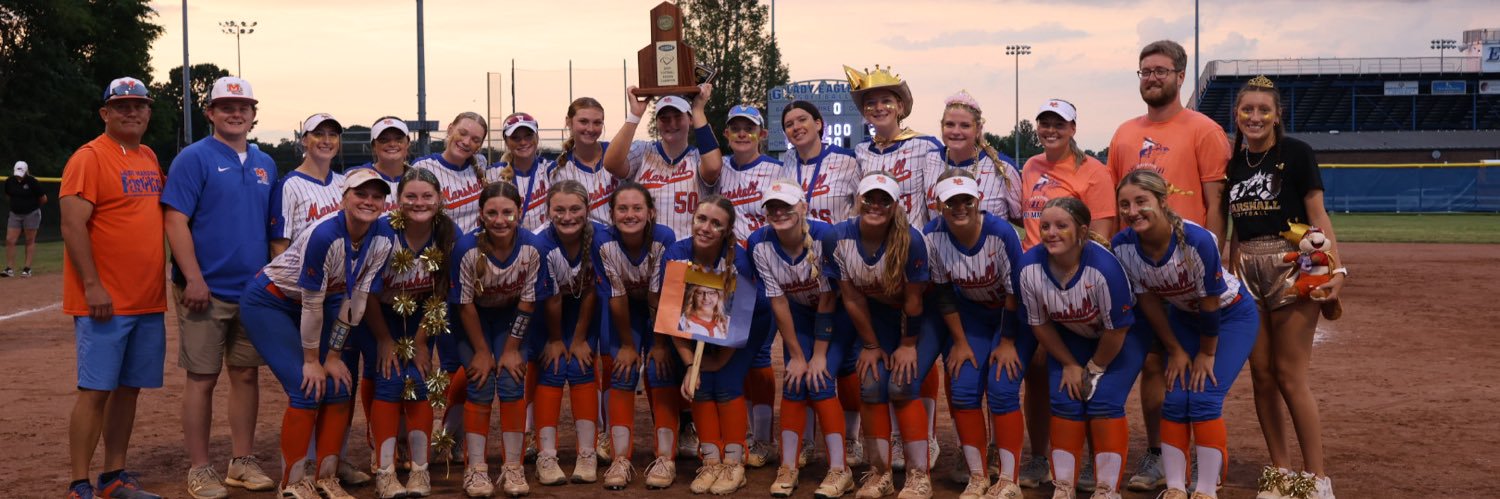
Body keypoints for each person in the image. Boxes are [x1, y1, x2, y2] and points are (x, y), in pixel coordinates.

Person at [1106, 41, 1231, 493]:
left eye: (1160, 70)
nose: (1151, 78)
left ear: (1181, 76)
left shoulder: (1204, 130)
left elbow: (1216, 204)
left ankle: (1201, 459)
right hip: (1144, 270)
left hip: (1192, 273)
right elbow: (1119, 207)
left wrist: (1216, 262)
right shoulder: (1123, 134)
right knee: (1156, 363)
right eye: (1144, 71)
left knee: (1201, 367)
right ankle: (1161, 453)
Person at [239, 169, 395, 499]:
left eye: (376, 196)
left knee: (338, 384)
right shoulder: (325, 235)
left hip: (326, 302)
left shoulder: (384, 235)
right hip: (272, 301)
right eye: (360, 194)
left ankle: (326, 477)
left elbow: (357, 299)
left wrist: (334, 356)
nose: (368, 201)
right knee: (306, 386)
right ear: (343, 198)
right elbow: (310, 305)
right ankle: (292, 484)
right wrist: (313, 359)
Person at [1226, 75, 1344, 499]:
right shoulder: (1234, 162)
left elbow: (1318, 215)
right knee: (1261, 376)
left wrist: (1335, 270)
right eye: (1247, 109)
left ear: (1277, 116)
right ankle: (1280, 473)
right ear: (1237, 115)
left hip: (1292, 263)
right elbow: (1234, 227)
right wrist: (1229, 265)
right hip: (1246, 270)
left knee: (1290, 376)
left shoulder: (1296, 153)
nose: (1255, 116)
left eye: (1264, 109)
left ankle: (1316, 479)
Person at [160, 76, 278, 499]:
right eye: (226, 106)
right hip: (204, 289)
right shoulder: (194, 158)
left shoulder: (266, 162)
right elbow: (174, 219)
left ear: (253, 113)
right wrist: (193, 277)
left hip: (252, 291)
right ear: (210, 112)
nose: (236, 113)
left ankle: (241, 462)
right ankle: (199, 467)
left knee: (246, 375)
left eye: (243, 106)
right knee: (202, 378)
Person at [1113, 169, 1259, 499]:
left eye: (1141, 201)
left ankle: (1206, 488)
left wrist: (1206, 354)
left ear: (1163, 202)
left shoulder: (1196, 240)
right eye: (1124, 204)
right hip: (1183, 320)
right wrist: (1175, 350)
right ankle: (1177, 487)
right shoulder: (1123, 246)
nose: (1132, 211)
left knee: (1204, 396)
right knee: (1176, 398)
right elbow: (1149, 301)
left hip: (1229, 317)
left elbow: (1210, 304)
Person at [61, 76, 166, 499]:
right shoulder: (89, 158)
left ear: (147, 113)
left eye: (139, 105)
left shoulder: (148, 156)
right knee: (95, 391)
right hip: (105, 301)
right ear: (105, 113)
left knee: (128, 391)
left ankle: (114, 476)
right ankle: (78, 483)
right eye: (121, 106)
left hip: (146, 300)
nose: (131, 112)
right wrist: (93, 285)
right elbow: (72, 224)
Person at [845, 66, 944, 471]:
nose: (879, 106)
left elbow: (935, 203)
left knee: (917, 357)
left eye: (887, 100)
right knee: (882, 354)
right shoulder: (861, 153)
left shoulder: (925, 146)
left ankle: (925, 436)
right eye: (870, 102)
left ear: (901, 106)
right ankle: (887, 442)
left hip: (913, 261)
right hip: (874, 265)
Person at [1016, 98, 1118, 490]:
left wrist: (1080, 286)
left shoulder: (1094, 171)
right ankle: (1040, 457)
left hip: (1077, 286)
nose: (1051, 130)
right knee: (1037, 373)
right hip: (1037, 284)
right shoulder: (1031, 166)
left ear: (1074, 128)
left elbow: (1102, 235)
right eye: (1044, 123)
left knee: (1087, 375)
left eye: (1059, 123)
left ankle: (1091, 461)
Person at [1016, 197, 1146, 499]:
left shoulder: (1104, 268)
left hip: (1119, 339)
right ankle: (1064, 487)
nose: (1051, 232)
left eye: (1062, 225)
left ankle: (1106, 489)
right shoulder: (1029, 267)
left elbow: (1118, 329)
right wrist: (1070, 364)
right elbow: (1040, 324)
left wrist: (1094, 368)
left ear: (1082, 231)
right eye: (1045, 225)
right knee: (1064, 399)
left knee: (1104, 402)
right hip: (1072, 336)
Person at [825, 171, 935, 499]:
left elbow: (914, 302)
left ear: (895, 205)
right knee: (872, 383)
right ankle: (880, 472)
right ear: (858, 200)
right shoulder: (838, 237)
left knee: (901, 383)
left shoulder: (910, 239)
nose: (875, 204)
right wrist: (871, 345)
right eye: (869, 198)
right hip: (877, 320)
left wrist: (907, 345)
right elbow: (853, 298)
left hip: (917, 320)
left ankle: (919, 476)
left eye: (883, 199)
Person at [920, 170, 1029, 499]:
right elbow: (943, 293)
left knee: (1001, 387)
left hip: (1011, 319)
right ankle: (979, 476)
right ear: (938, 204)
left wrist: (1008, 341)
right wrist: (960, 341)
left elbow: (1016, 293)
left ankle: (1009, 480)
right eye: (951, 201)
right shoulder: (933, 234)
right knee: (965, 389)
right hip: (972, 320)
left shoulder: (1000, 232)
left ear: (978, 200)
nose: (959, 207)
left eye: (966, 199)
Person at [652, 195, 767, 495]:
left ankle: (733, 462)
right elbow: (673, 316)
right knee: (699, 383)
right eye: (702, 219)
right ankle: (711, 461)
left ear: (727, 231)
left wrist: (716, 362)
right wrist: (692, 364)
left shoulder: (738, 261)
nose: (706, 227)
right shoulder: (677, 254)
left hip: (748, 327)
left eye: (716, 223)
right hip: (696, 324)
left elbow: (738, 323)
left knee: (725, 381)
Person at [748, 180, 856, 498]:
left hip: (837, 318)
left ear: (803, 207)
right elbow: (778, 302)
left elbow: (828, 300)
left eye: (786, 205)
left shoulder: (825, 236)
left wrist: (818, 355)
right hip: (799, 317)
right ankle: (789, 465)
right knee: (795, 381)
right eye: (772, 207)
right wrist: (795, 354)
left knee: (820, 379)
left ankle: (840, 470)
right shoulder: (760, 242)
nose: (779, 212)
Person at [447, 181, 553, 497]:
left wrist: (510, 350)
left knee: (509, 379)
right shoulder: (466, 249)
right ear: (481, 215)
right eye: (491, 212)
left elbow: (528, 303)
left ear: (519, 213)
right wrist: (482, 351)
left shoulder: (533, 247)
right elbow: (464, 306)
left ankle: (513, 467)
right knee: (479, 381)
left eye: (507, 212)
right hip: (473, 320)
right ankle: (476, 469)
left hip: (509, 319)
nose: (499, 219)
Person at [359, 168, 458, 498]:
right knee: (388, 380)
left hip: (420, 315)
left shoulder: (446, 232)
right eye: (410, 196)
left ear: (439, 199)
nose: (419, 202)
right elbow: (367, 293)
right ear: (398, 201)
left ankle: (420, 471)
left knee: (418, 378)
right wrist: (386, 340)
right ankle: (384, 471)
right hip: (377, 315)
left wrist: (419, 341)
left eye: (427, 196)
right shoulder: (383, 233)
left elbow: (439, 291)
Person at [778, 100, 866, 469]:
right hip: (798, 276)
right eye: (788, 123)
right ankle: (809, 441)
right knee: (796, 361)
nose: (796, 127)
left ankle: (851, 438)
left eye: (802, 120)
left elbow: (863, 206)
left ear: (819, 124)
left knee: (842, 363)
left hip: (837, 273)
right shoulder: (783, 165)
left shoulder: (849, 161)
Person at [715, 104, 785, 469]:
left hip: (765, 273)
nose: (742, 134)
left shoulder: (777, 170)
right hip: (728, 274)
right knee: (733, 353)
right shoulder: (719, 168)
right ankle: (739, 433)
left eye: (749, 128)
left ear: (762, 133)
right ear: (726, 134)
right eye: (735, 128)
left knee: (758, 356)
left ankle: (763, 438)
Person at [596, 181, 676, 490]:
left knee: (659, 368)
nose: (630, 214)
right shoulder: (603, 241)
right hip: (623, 308)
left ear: (651, 212)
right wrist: (628, 345)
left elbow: (659, 294)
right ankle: (620, 458)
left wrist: (658, 343)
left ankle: (666, 458)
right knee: (622, 369)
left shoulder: (663, 237)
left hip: (657, 306)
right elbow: (616, 297)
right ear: (612, 213)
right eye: (623, 208)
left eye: (637, 208)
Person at [530, 180, 607, 485]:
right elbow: (552, 299)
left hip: (583, 312)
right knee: (552, 369)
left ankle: (587, 452)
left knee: (581, 368)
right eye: (559, 209)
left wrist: (578, 339)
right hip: (545, 314)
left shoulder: (600, 237)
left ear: (588, 209)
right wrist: (555, 340)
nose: (568, 216)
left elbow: (590, 291)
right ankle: (546, 455)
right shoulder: (540, 244)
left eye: (576, 208)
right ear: (548, 211)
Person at [601, 84, 723, 238]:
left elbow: (713, 167)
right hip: (646, 249)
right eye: (664, 118)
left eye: (678, 117)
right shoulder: (642, 150)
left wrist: (698, 110)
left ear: (690, 119)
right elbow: (611, 163)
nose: (671, 123)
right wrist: (634, 115)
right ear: (656, 122)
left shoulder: (700, 157)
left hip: (687, 251)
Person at [928, 91, 1022, 226]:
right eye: (950, 124)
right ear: (942, 126)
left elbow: (1021, 218)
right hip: (939, 246)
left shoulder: (1003, 167)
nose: (956, 131)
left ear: (978, 129)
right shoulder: (929, 160)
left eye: (965, 125)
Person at [270, 113, 347, 258]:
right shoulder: (289, 185)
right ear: (304, 140)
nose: (326, 141)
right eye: (318, 134)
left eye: (333, 135)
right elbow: (278, 248)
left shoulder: (344, 183)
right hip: (301, 277)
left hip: (340, 276)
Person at [411, 111, 490, 231]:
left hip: (477, 246)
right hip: (440, 247)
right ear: (450, 129)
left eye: (475, 140)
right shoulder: (423, 166)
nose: (466, 142)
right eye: (462, 133)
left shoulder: (481, 162)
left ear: (480, 145)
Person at [550, 97, 617, 224]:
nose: (590, 129)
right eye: (583, 121)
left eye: (597, 123)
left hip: (617, 240)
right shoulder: (557, 169)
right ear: (568, 122)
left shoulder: (616, 153)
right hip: (579, 241)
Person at [493, 112, 554, 232]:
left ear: (537, 137)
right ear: (506, 141)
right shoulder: (494, 172)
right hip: (509, 242)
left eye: (528, 136)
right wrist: (512, 219)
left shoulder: (551, 169)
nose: (523, 142)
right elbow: (494, 215)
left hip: (546, 242)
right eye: (515, 138)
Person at [350, 116, 413, 207]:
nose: (392, 144)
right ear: (373, 146)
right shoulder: (354, 176)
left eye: (399, 139)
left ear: (408, 143)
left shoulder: (420, 178)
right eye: (384, 140)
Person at [4, 160, 46, 277]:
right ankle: (9, 269)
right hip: (15, 214)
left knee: (29, 240)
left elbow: (43, 198)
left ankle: (27, 268)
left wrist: (32, 208)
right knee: (10, 240)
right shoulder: (9, 181)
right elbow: (8, 196)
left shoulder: (32, 182)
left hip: (31, 213)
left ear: (26, 171)